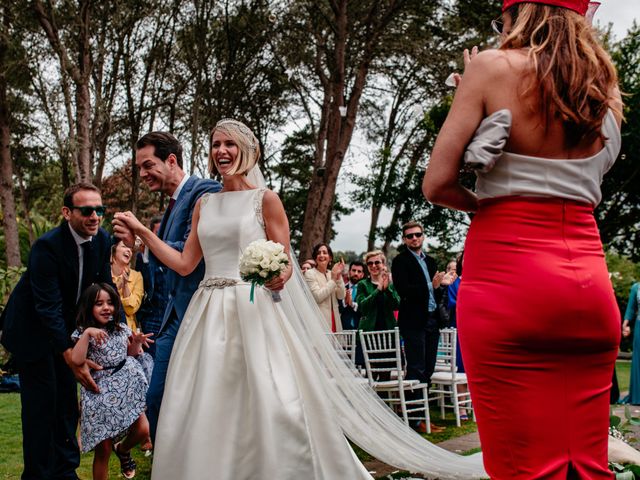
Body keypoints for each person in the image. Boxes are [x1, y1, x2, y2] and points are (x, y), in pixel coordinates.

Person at [422, 0, 622, 477]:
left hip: (509, 282)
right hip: (589, 286)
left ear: (519, 16)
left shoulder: (491, 66)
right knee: (584, 464)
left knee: (519, 465)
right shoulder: (604, 91)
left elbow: (437, 184)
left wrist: (488, 201)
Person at [113, 119, 373, 479]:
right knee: (204, 400)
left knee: (267, 395)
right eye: (216, 144)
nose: (222, 151)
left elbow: (285, 264)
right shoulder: (205, 203)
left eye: (230, 144)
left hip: (253, 308)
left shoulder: (266, 201)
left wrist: (277, 277)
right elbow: (185, 264)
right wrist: (143, 233)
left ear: (248, 150)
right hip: (206, 312)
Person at [0, 183, 114, 480]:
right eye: (86, 210)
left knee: (66, 403)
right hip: (32, 332)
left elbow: (106, 289)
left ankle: (65, 472)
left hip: (66, 331)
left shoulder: (102, 240)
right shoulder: (47, 246)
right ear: (67, 213)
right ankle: (37, 474)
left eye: (99, 210)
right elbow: (47, 306)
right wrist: (70, 355)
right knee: (42, 407)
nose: (94, 216)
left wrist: (121, 332)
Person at [114, 131, 221, 443]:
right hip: (172, 316)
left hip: (201, 311)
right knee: (158, 395)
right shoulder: (172, 205)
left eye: (148, 166)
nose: (143, 174)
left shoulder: (205, 191)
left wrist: (144, 233)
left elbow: (189, 255)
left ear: (171, 160)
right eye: (140, 168)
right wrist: (138, 245)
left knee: (176, 396)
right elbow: (167, 252)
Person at [71, 283, 152, 480]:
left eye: (110, 303)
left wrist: (138, 342)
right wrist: (88, 333)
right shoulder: (83, 332)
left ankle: (123, 449)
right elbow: (76, 360)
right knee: (103, 450)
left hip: (127, 388)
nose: (106, 307)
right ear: (89, 307)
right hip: (100, 395)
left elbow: (129, 354)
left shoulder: (121, 328)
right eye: (99, 303)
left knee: (143, 429)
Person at [391, 221, 451, 433]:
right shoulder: (400, 262)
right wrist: (430, 286)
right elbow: (404, 290)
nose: (414, 238)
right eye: (409, 236)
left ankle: (424, 416)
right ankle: (415, 419)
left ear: (423, 236)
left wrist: (441, 287)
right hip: (413, 321)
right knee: (415, 369)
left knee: (429, 369)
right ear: (404, 239)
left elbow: (437, 293)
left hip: (432, 320)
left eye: (417, 234)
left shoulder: (432, 261)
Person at [135, 217, 166, 358]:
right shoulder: (143, 257)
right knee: (151, 357)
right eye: (157, 232)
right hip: (152, 315)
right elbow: (143, 282)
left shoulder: (174, 254)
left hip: (169, 315)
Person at [304, 243, 346, 332]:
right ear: (315, 257)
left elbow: (341, 296)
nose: (321, 255)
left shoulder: (332, 273)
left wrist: (339, 277)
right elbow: (317, 297)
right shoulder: (310, 274)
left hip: (335, 318)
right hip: (319, 320)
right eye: (318, 253)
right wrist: (333, 280)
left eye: (324, 252)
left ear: (330, 258)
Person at [355, 251, 399, 332]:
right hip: (368, 332)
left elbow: (397, 305)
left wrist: (387, 290)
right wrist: (378, 290)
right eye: (370, 263)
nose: (373, 266)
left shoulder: (391, 284)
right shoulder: (362, 284)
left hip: (389, 331)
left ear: (383, 264)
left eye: (377, 262)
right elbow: (362, 307)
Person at [111, 240, 144, 330]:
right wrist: (118, 286)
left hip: (127, 331)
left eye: (130, 248)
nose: (129, 250)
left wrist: (125, 285)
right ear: (114, 250)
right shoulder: (104, 271)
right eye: (124, 246)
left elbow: (131, 310)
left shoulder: (137, 276)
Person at [623, 283, 640, 404]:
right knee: (638, 358)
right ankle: (637, 396)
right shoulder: (636, 287)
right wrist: (625, 324)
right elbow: (631, 308)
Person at [338, 260, 365, 330]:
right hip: (344, 329)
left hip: (361, 330)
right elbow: (338, 308)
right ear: (349, 272)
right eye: (354, 270)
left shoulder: (365, 289)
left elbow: (365, 310)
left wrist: (352, 304)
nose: (356, 273)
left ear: (362, 275)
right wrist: (345, 303)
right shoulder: (342, 288)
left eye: (359, 271)